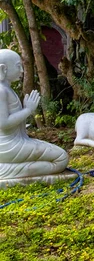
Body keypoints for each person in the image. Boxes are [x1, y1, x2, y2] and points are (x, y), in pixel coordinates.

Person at [0, 49, 68, 179]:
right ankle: (5, 170)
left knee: (59, 155)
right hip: (7, 145)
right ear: (3, 69)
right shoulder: (1, 91)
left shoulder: (6, 90)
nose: (21, 71)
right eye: (18, 66)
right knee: (61, 159)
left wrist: (25, 109)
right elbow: (3, 123)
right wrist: (28, 110)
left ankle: (9, 168)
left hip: (16, 142)